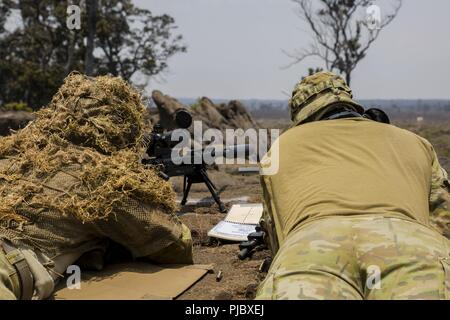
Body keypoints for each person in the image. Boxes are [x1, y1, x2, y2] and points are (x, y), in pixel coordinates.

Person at [256, 71, 450, 300]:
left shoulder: (280, 148)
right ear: (350, 102)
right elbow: (443, 219)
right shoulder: (416, 142)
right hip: (410, 242)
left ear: (301, 115)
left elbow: (274, 230)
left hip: (311, 247)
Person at [0, 73, 193, 300]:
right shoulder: (100, 181)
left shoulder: (12, 156)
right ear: (121, 128)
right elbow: (175, 246)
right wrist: (143, 188)